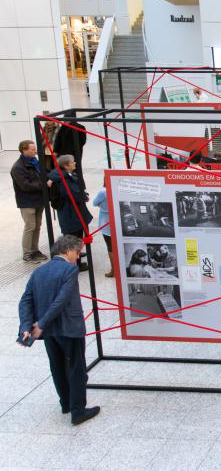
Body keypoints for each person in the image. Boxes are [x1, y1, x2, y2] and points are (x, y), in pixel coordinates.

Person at [17, 234, 100, 426]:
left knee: (57, 366)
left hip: (48, 332)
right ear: (69, 250)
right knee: (76, 368)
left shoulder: (39, 271)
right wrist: (42, 324)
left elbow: (26, 300)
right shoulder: (70, 270)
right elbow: (61, 301)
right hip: (69, 329)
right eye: (78, 252)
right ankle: (78, 411)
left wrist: (26, 327)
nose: (78, 257)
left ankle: (66, 403)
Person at [48, 155, 92, 272]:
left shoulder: (64, 176)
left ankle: (76, 259)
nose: (75, 163)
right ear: (66, 166)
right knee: (73, 239)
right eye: (72, 162)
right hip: (71, 214)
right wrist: (83, 196)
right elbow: (72, 193)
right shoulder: (63, 179)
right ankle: (74, 264)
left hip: (72, 213)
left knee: (75, 239)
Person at [11, 140, 49, 263]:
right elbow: (26, 186)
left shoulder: (35, 162)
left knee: (37, 226)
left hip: (38, 200)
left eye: (34, 148)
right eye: (32, 149)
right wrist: (44, 185)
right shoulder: (18, 167)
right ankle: (27, 254)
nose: (35, 151)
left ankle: (35, 250)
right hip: (27, 202)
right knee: (30, 227)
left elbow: (44, 174)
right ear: (24, 150)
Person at [52, 111, 87, 189]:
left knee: (74, 170)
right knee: (66, 170)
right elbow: (58, 140)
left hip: (72, 154)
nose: (66, 121)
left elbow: (82, 141)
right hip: (67, 154)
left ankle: (78, 187)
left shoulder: (78, 127)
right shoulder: (64, 127)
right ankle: (71, 186)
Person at [91, 185, 113, 277]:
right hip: (116, 219)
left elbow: (95, 203)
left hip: (106, 221)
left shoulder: (103, 192)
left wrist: (102, 206)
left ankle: (114, 269)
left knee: (110, 246)